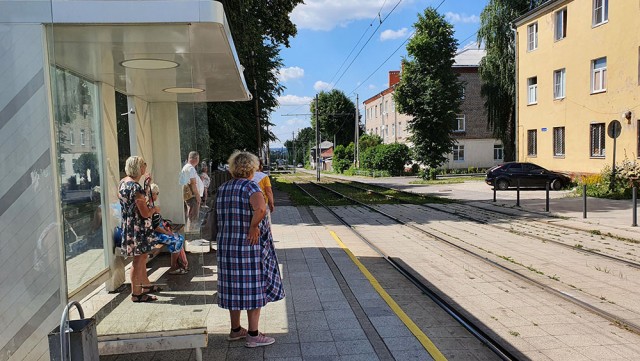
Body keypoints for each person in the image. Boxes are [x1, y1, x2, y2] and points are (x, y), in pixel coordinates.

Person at [216, 151, 285, 348]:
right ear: (251, 168)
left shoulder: (223, 188)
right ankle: (253, 335)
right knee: (252, 287)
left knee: (232, 287)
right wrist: (254, 226)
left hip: (227, 245)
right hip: (248, 245)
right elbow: (261, 209)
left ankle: (235, 330)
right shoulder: (250, 187)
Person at [118, 156, 159, 302]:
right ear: (138, 168)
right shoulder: (135, 188)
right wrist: (154, 209)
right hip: (139, 229)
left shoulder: (123, 183)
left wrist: (146, 186)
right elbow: (144, 212)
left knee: (141, 258)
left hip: (129, 227)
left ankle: (145, 286)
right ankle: (136, 294)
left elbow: (132, 204)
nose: (145, 167)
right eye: (143, 165)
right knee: (138, 260)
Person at [149, 183, 189, 275]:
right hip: (154, 235)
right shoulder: (151, 207)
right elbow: (155, 227)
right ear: (153, 194)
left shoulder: (152, 205)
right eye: (157, 193)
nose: (157, 195)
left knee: (179, 238)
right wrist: (167, 233)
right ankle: (174, 266)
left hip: (158, 232)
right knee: (176, 240)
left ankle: (178, 264)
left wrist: (167, 231)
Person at [181, 151, 203, 231]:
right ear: (195, 158)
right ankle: (191, 234)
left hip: (191, 196)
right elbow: (193, 184)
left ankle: (190, 233)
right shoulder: (190, 168)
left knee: (191, 215)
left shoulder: (187, 167)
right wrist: (197, 196)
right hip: (192, 196)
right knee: (193, 216)